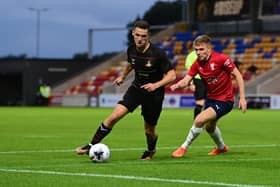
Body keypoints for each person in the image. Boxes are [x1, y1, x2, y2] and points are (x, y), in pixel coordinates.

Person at [76, 20, 176, 160]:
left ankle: (150, 150)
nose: (140, 39)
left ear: (148, 36)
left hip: (154, 95)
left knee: (149, 130)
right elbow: (131, 64)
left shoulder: (158, 53)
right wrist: (122, 77)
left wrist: (156, 85)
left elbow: (172, 75)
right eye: (138, 35)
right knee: (114, 116)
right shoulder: (131, 49)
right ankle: (91, 145)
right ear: (133, 33)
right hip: (136, 89)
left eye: (143, 36)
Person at [170, 35, 247, 158]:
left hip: (225, 100)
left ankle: (183, 147)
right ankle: (221, 148)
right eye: (196, 50)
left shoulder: (221, 59)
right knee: (210, 127)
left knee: (199, 120)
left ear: (209, 48)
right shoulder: (196, 64)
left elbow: (238, 75)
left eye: (201, 49)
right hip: (211, 99)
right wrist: (177, 85)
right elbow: (186, 80)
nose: (198, 52)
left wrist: (242, 97)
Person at [185, 50, 207, 119]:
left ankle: (209, 122)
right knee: (200, 102)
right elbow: (189, 71)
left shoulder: (207, 53)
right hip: (198, 80)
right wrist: (191, 83)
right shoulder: (191, 56)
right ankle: (196, 123)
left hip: (208, 79)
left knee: (210, 102)